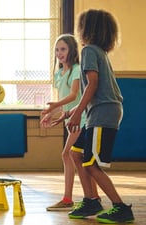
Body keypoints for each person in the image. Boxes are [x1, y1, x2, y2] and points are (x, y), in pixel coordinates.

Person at [56, 9, 134, 223]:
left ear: (86, 28)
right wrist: (71, 112)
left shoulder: (89, 50)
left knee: (90, 163)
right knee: (76, 153)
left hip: (103, 113)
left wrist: (77, 112)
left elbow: (93, 84)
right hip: (97, 111)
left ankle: (120, 207)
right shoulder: (98, 51)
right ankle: (91, 200)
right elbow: (94, 90)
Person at [41, 34, 99, 211]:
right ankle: (90, 197)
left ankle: (71, 198)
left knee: (68, 155)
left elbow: (74, 95)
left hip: (82, 119)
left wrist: (53, 108)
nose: (59, 53)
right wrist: (56, 113)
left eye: (63, 49)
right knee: (75, 157)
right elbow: (67, 101)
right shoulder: (59, 73)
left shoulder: (77, 69)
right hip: (71, 119)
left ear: (72, 50)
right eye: (57, 49)